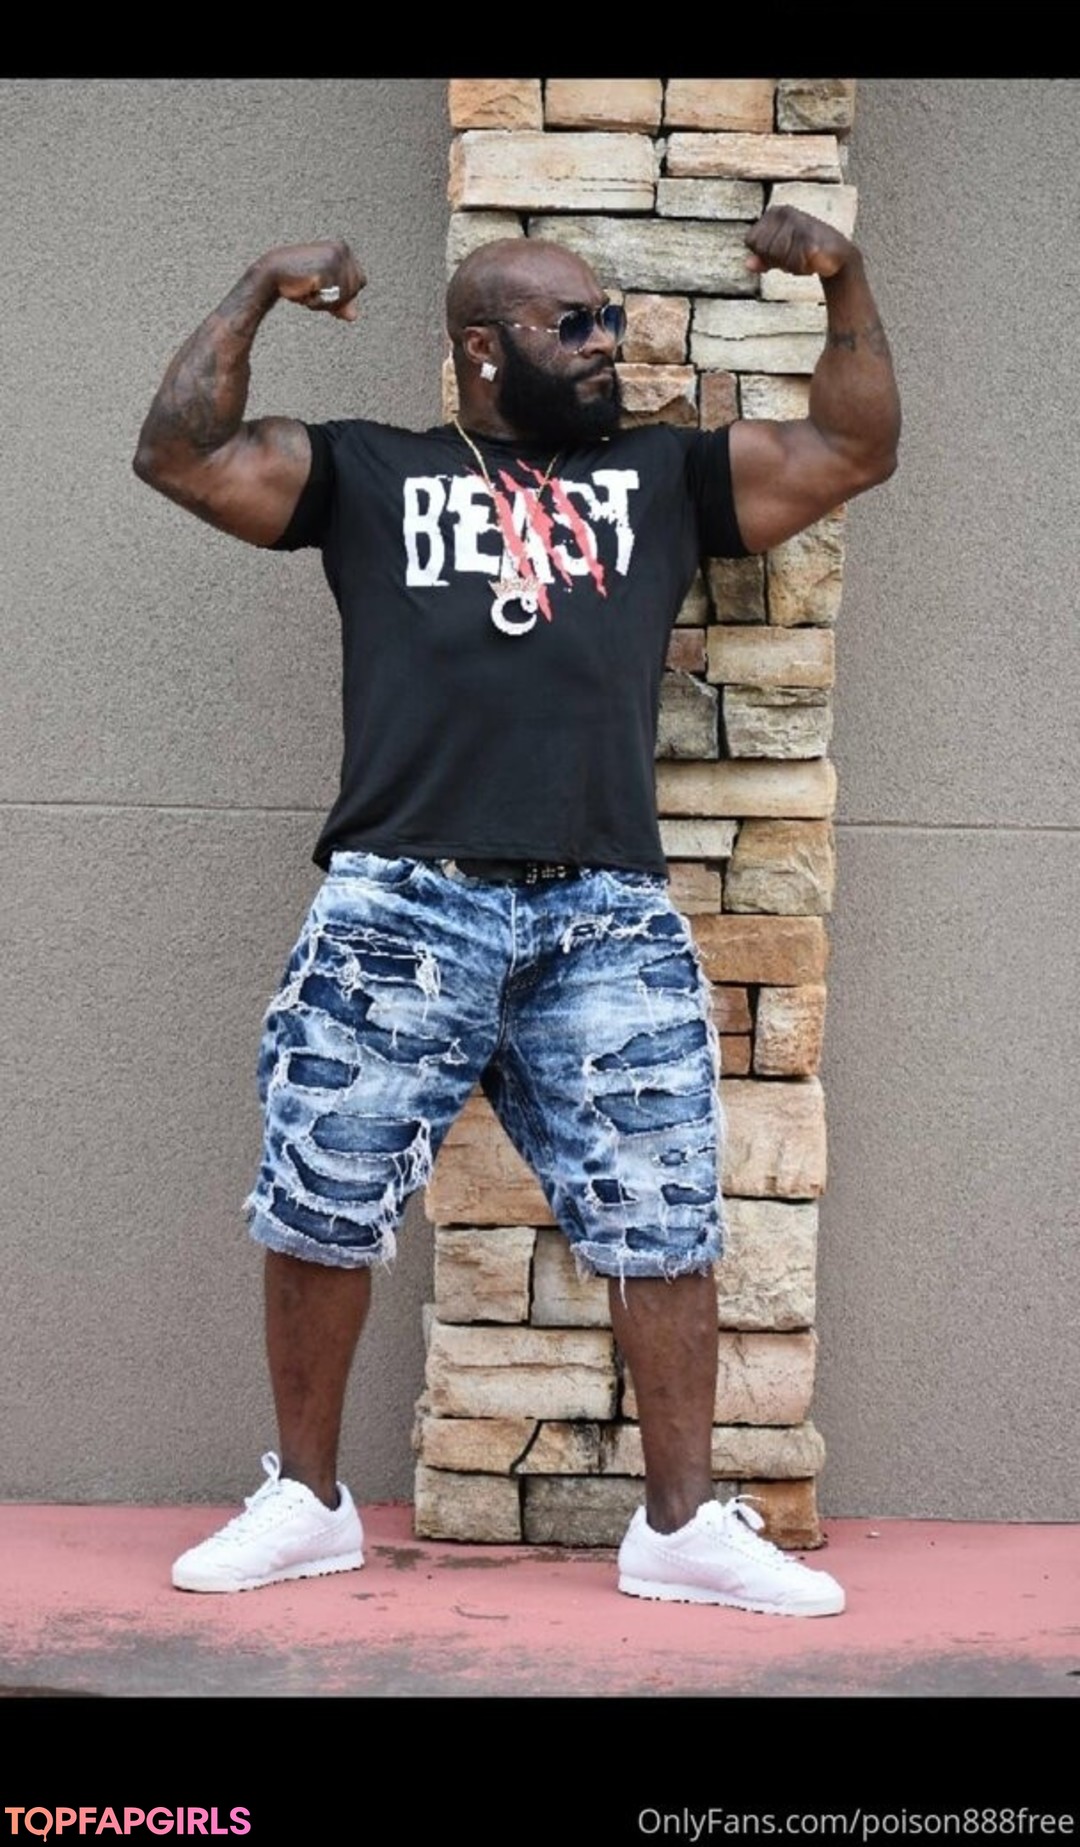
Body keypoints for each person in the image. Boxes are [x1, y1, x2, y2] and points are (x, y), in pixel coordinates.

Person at [133, 205, 899, 1616]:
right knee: (321, 1194)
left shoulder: (664, 476)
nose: (609, 345)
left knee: (666, 1213)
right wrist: (255, 288)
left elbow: (853, 448)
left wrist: (843, 281)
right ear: (483, 350)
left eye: (610, 320)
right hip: (402, 897)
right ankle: (307, 1503)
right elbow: (180, 454)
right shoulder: (371, 472)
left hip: (600, 908)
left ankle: (680, 1528)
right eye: (575, 325)